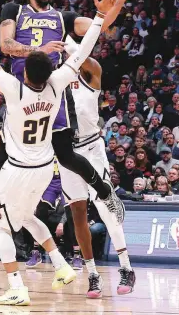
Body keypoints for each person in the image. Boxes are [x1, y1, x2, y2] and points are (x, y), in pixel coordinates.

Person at [0, 0, 120, 306]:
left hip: (18, 169)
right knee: (27, 215)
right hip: (45, 167)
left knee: (1, 225)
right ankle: (60, 266)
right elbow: (83, 52)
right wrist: (100, 16)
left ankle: (16, 287)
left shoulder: (15, 89)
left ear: (26, 71)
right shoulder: (58, 82)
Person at [0, 0, 147, 206]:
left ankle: (105, 193)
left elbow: (103, 27)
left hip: (52, 88)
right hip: (21, 87)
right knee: (6, 152)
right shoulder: (14, 10)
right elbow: (6, 45)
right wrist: (41, 50)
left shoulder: (62, 17)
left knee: (66, 155)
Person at [58, 35, 135, 296]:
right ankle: (92, 274)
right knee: (77, 214)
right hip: (67, 154)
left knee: (104, 205)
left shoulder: (90, 73)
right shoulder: (55, 83)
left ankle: (126, 267)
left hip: (92, 148)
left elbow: (83, 56)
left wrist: (67, 38)